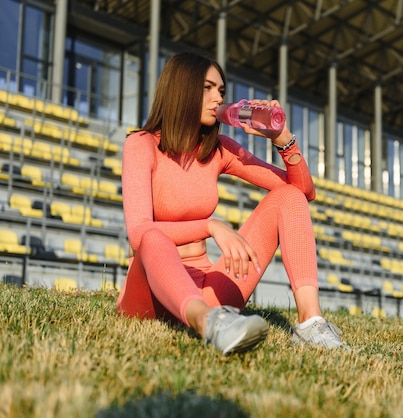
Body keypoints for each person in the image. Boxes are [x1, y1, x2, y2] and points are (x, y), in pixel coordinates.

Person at [116, 51, 344, 355]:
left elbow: (303, 191)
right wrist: (211, 226)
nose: (217, 98)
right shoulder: (141, 145)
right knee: (153, 238)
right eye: (207, 88)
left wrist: (282, 138)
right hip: (150, 296)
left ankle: (310, 322)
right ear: (181, 89)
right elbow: (138, 234)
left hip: (208, 287)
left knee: (287, 197)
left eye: (221, 91)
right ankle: (208, 323)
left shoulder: (219, 150)